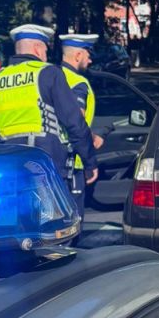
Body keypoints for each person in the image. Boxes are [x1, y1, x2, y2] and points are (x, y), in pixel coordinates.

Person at [0, 24, 98, 196]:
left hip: (9, 169)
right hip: (47, 166)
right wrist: (89, 162)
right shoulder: (48, 73)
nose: (46, 55)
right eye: (46, 50)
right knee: (51, 212)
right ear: (37, 49)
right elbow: (74, 121)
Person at [59, 33, 105, 219]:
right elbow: (76, 120)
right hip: (72, 162)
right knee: (73, 222)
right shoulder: (77, 82)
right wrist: (89, 161)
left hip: (51, 158)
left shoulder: (48, 78)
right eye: (88, 55)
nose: (90, 60)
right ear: (78, 55)